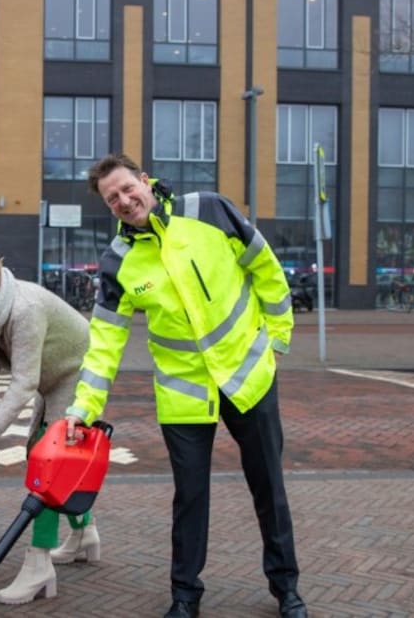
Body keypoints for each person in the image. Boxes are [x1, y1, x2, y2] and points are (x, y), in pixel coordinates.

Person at [62, 153, 307, 618]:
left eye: (127, 188)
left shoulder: (210, 210)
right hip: (183, 394)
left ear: (144, 180)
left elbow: (266, 267)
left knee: (268, 488)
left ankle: (286, 589)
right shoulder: (118, 262)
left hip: (248, 375)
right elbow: (104, 343)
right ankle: (185, 596)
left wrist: (278, 337)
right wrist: (83, 407)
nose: (123, 201)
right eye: (112, 199)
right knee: (189, 498)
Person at [0, 243, 99, 606]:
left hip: (77, 372)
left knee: (48, 463)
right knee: (44, 458)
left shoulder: (24, 309)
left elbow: (23, 384)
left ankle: (39, 565)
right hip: (50, 374)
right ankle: (84, 533)